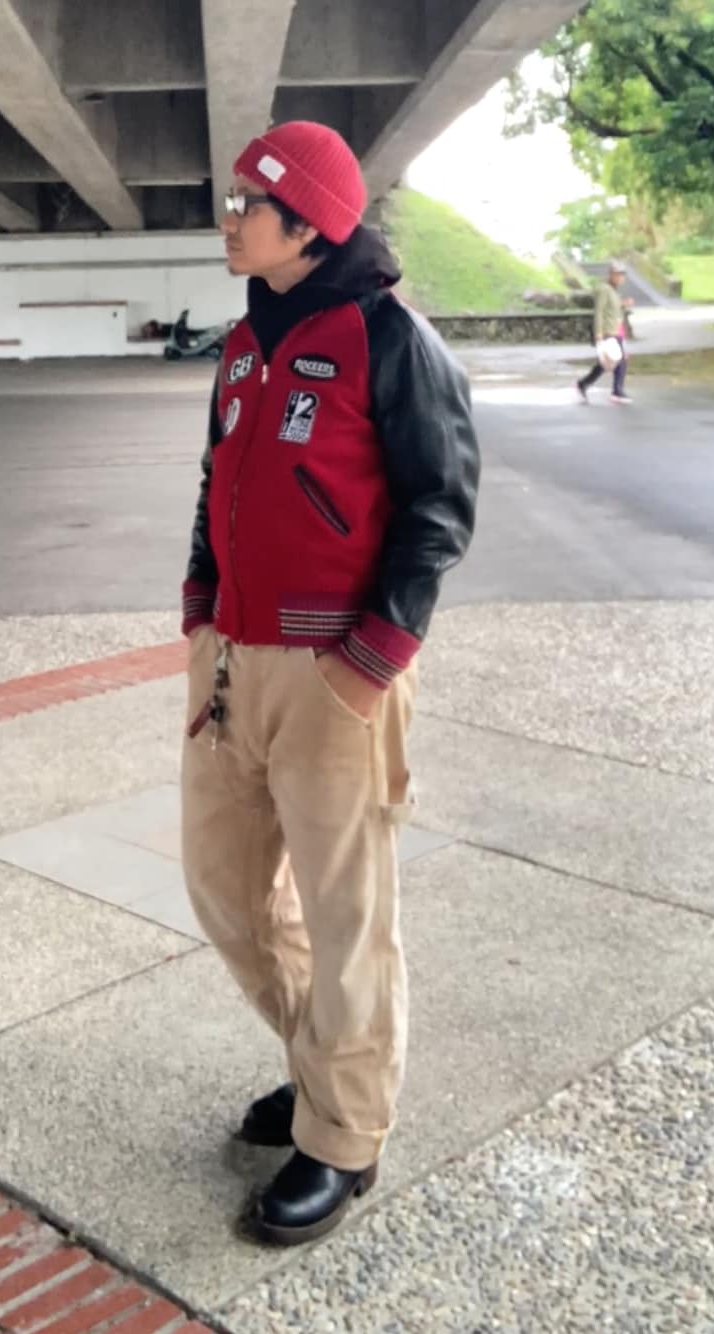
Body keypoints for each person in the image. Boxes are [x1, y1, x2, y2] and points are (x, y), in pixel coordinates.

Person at [179, 120, 480, 1246]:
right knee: (225, 893)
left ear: (308, 223)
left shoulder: (390, 339)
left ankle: (344, 1137)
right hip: (229, 664)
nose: (230, 221)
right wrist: (199, 608)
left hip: (335, 670)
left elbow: (440, 510)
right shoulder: (242, 345)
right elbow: (213, 486)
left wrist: (369, 664)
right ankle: (322, 1072)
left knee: (348, 917)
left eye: (249, 205)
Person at [576, 260, 634, 404]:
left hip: (616, 330)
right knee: (617, 360)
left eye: (622, 275)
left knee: (608, 362)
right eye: (618, 275)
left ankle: (584, 383)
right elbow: (599, 311)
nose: (620, 278)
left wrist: (623, 305)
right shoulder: (603, 289)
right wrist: (598, 333)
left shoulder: (614, 291)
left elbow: (613, 310)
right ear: (611, 275)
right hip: (608, 331)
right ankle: (616, 391)